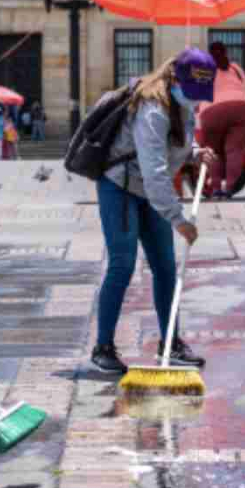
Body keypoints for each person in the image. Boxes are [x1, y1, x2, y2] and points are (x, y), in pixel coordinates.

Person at [91, 48, 217, 374]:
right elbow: (155, 170)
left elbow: (173, 145)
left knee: (165, 267)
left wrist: (193, 153)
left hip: (150, 190)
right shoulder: (152, 109)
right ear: (175, 79)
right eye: (192, 92)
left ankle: (171, 344)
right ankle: (103, 347)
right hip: (120, 187)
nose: (196, 99)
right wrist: (179, 219)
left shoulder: (181, 106)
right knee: (123, 264)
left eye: (200, 94)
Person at [199, 42, 245, 199]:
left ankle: (215, 188)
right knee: (234, 150)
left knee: (213, 151)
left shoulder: (203, 70)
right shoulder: (235, 68)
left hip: (211, 111)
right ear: (226, 52)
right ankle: (228, 188)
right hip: (240, 108)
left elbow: (194, 91)